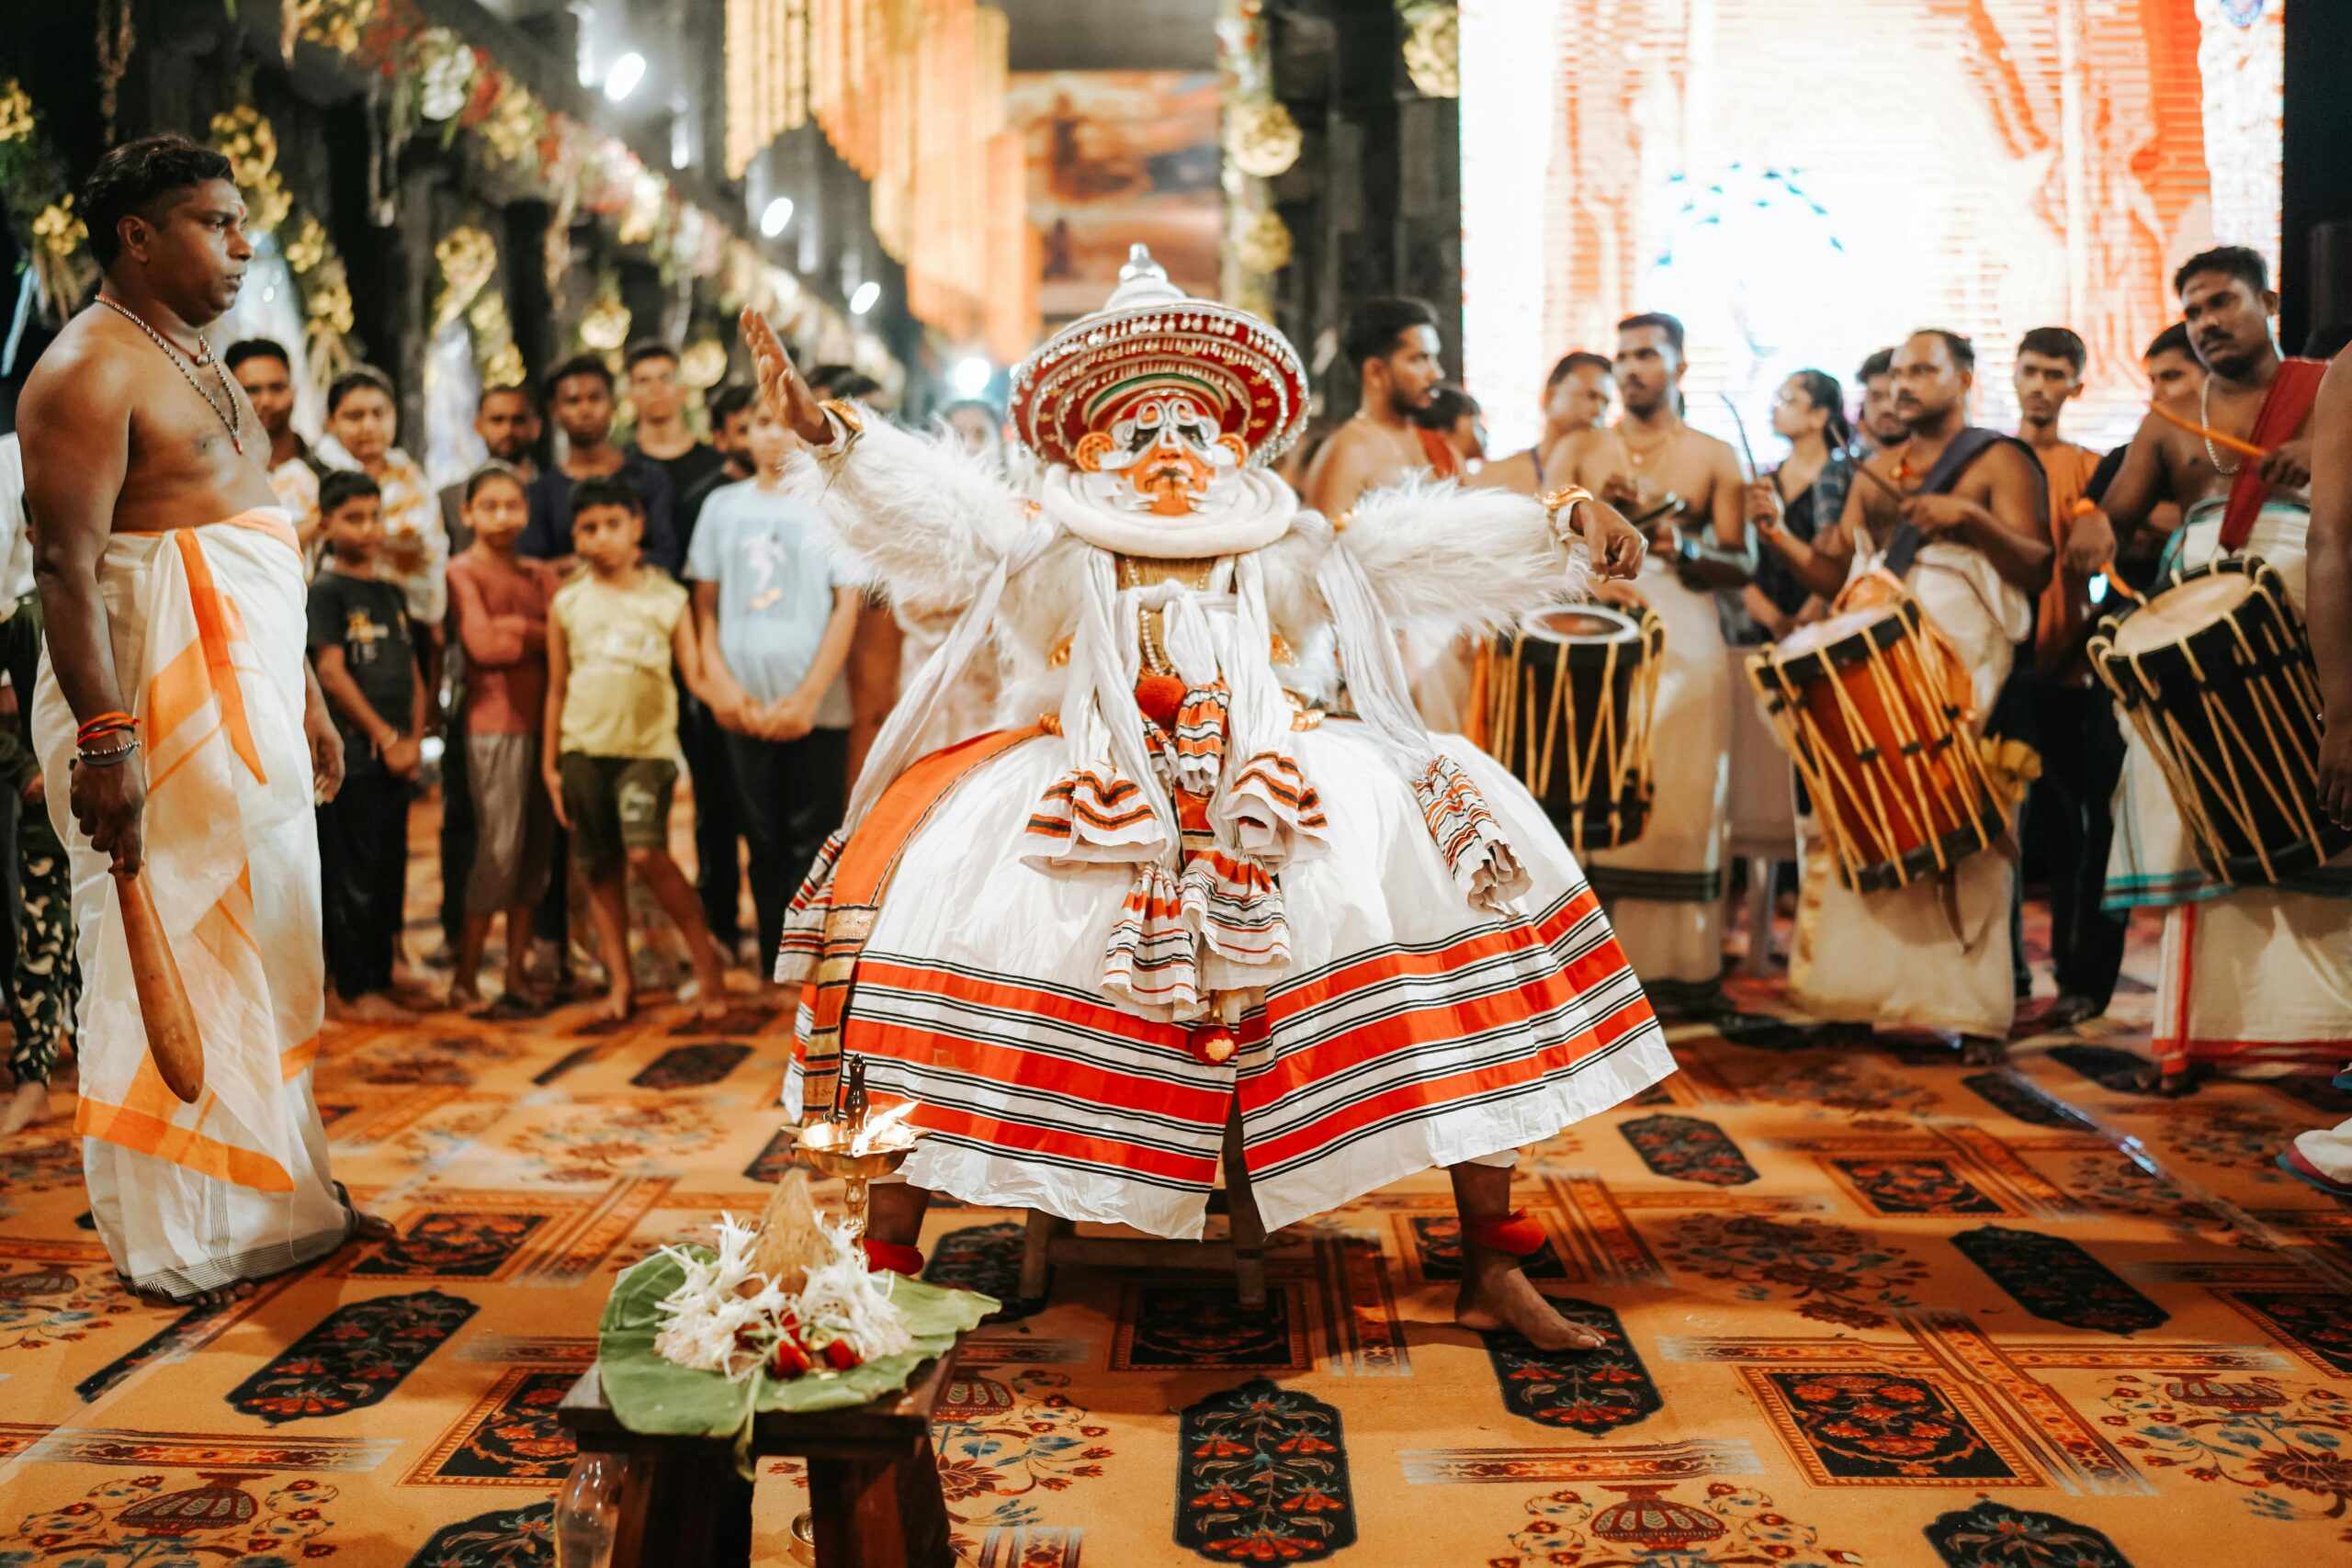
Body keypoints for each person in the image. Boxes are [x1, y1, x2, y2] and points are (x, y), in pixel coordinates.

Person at [751, 247, 1657, 1352]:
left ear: (1232, 442)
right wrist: (832, 440)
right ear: (1094, 448)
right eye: (1142, 430)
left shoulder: (1280, 535)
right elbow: (939, 516)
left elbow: (1409, 546)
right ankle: (887, 1274)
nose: (1169, 447)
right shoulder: (1051, 534)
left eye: (1190, 426)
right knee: (927, 924)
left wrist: (1557, 525)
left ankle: (1489, 1261)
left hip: (1275, 783)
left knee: (1451, 888)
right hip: (1083, 783)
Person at [19, 133, 381, 1303]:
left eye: (240, 224)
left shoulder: (196, 354)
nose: (241, 246)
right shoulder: (84, 372)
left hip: (252, 697)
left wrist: (311, 693)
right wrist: (105, 744)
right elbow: (69, 575)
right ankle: (181, 1234)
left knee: (263, 932)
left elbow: (250, 541)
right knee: (164, 948)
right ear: (137, 235)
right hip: (150, 713)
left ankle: (277, 1198)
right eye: (215, 223)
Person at [2095, 246, 2346, 1094]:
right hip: (2195, 624)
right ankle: (2195, 1039)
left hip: (2310, 603)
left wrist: (2321, 463)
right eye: (2193, 310)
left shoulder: (2329, 389)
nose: (2206, 323)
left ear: (2268, 300)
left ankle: (2328, 1032)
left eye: (2222, 303)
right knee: (2203, 813)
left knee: (2316, 802)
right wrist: (2093, 531)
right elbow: (2113, 521)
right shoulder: (2171, 414)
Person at [1776, 328, 2052, 1064]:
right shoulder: (1872, 472)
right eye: (1895, 373)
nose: (1903, 385)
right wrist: (1773, 532)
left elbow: (2037, 563)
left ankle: (1975, 1015)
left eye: (1922, 371)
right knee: (1860, 811)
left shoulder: (1998, 459)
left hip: (1965, 661)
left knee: (1961, 814)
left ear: (1964, 378)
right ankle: (1852, 995)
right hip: (1878, 664)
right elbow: (1833, 576)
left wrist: (1971, 518)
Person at [1549, 311, 1753, 1018]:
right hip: (1594, 621)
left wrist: (1680, 544)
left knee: (1683, 789)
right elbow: (1538, 524)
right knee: (1586, 781)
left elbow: (1741, 560)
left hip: (1687, 628)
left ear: (1680, 367)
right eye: (1624, 356)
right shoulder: (1580, 447)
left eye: (1648, 356)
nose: (1632, 368)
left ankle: (1673, 974)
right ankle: (1577, 975)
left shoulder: (1715, 454)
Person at [543, 476, 732, 1023]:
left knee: (647, 853)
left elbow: (696, 675)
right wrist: (550, 766)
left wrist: (737, 707)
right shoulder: (567, 602)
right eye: (588, 528)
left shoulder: (668, 598)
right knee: (600, 867)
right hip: (583, 750)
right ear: (576, 536)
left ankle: (708, 970)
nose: (601, 537)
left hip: (647, 751)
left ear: (637, 528)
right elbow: (557, 687)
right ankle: (619, 984)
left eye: (612, 525)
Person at [687, 400, 861, 973]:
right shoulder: (720, 508)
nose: (774, 435)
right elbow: (705, 612)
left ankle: (811, 961)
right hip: (744, 704)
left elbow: (846, 606)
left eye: (787, 424)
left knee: (813, 838)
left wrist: (810, 696)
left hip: (818, 706)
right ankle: (770, 959)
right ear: (743, 434)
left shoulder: (831, 504)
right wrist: (725, 692)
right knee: (758, 839)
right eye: (760, 422)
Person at [2007, 325, 2127, 1027]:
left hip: (2073, 671)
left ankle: (2077, 978)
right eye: (2032, 370)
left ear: (2077, 386)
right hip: (2005, 671)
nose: (2042, 385)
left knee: (2077, 835)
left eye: (2057, 374)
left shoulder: (2091, 468)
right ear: (2013, 375)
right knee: (2002, 830)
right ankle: (2008, 974)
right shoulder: (1992, 459)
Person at [307, 470, 427, 1022]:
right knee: (351, 872)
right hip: (355, 756)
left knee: (386, 869)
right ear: (326, 524)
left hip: (397, 758)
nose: (369, 528)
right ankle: (351, 988)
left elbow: (414, 673)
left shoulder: (390, 591)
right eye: (354, 518)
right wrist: (382, 736)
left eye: (375, 515)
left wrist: (413, 741)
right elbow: (330, 672)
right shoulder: (325, 592)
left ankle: (379, 975)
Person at [445, 463, 560, 1015]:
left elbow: (561, 641)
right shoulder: (461, 571)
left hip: (548, 725)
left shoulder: (540, 574)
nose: (502, 516)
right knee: (498, 851)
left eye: (512, 504)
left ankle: (514, 976)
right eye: (488, 506)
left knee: (534, 855)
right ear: (466, 513)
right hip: (494, 729)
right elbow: (484, 646)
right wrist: (532, 633)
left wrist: (518, 631)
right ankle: (466, 979)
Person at [674, 382, 761, 957]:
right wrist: (707, 678)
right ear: (726, 435)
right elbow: (696, 596)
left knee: (767, 814)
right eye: (746, 425)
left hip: (779, 677)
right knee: (715, 808)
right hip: (715, 669)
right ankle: (722, 924)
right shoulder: (706, 500)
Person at [0, 590, 78, 1135]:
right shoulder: (28, 617)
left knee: (108, 953)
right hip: (49, 814)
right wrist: (26, 770)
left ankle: (111, 1082)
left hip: (120, 808)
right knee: (41, 948)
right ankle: (33, 1082)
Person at [315, 367, 447, 628]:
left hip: (412, 622)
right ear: (331, 421)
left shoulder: (412, 479)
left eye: (379, 413)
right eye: (354, 416)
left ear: (394, 415)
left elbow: (433, 551)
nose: (368, 425)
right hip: (334, 621)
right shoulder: (307, 478)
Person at [522, 355, 679, 570]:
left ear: (612, 403)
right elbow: (532, 570)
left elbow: (667, 556)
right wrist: (600, 562)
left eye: (595, 398)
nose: (585, 410)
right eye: (573, 401)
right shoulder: (540, 493)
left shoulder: (650, 478)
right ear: (555, 411)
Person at [1304, 297, 1453, 515]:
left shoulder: (1428, 441)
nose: (1436, 373)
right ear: (1375, 371)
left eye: (1434, 358)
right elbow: (1327, 547)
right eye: (1419, 359)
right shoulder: (1350, 450)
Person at [1741, 369, 1853, 643]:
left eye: (1787, 400)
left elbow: (1843, 561)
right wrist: (1775, 621)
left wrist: (1809, 616)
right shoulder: (1764, 483)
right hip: (1763, 629)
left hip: (1828, 627)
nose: (1774, 408)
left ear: (1819, 415)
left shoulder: (1846, 480)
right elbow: (1741, 562)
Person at [1471, 352, 1614, 496]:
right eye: (1590, 396)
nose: (1598, 411)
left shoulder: (1611, 480)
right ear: (1550, 397)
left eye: (1605, 403)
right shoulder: (1495, 477)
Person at [225, 338, 322, 523]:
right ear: (228, 395)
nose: (266, 401)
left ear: (293, 391)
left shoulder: (325, 471)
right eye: (252, 390)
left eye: (276, 388)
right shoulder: (215, 477)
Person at [437, 384, 542, 552]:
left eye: (518, 420)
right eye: (497, 420)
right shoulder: (450, 500)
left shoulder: (554, 495)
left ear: (536, 427)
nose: (508, 430)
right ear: (478, 425)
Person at [626, 343, 729, 507]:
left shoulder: (717, 464)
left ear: (683, 388)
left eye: (666, 378)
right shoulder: (622, 466)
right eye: (644, 381)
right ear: (630, 394)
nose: (656, 389)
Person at [1416, 386, 1487, 471]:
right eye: (1476, 421)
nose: (1484, 430)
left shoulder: (1453, 468)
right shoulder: (1439, 468)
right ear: (1461, 421)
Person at [1854, 347, 1909, 453]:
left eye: (1895, 396)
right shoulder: (1851, 466)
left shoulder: (1945, 464)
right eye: (1876, 397)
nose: (1886, 408)